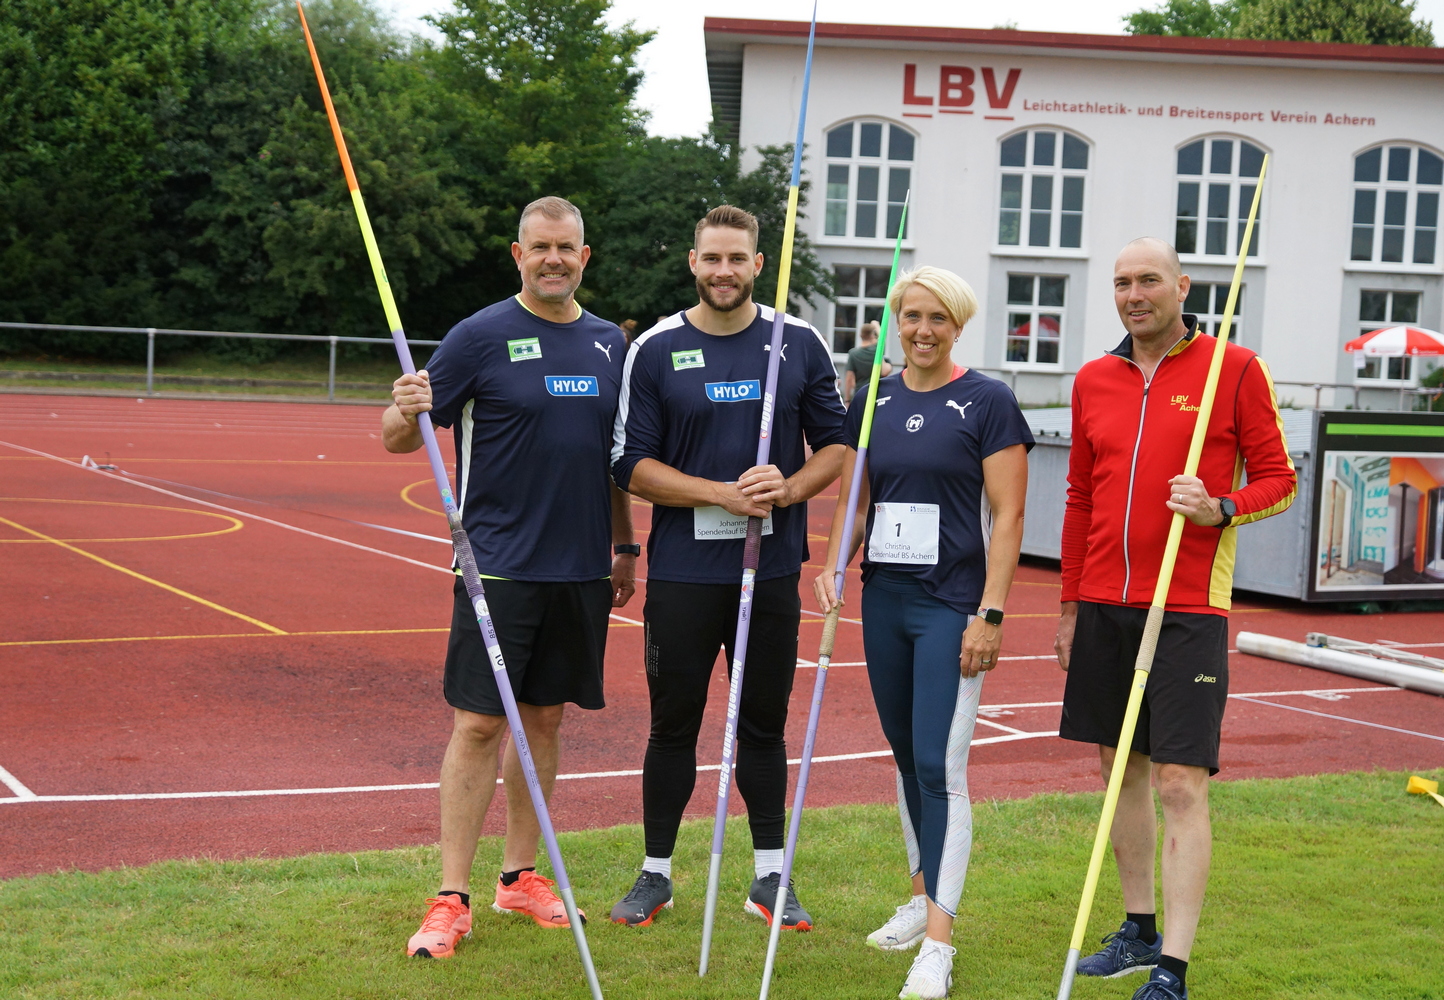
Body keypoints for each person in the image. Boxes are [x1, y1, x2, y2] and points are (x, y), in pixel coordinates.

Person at [386, 196, 640, 959]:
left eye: (567, 247)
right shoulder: (480, 335)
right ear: (517, 254)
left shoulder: (609, 346)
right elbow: (401, 438)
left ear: (584, 257)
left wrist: (625, 548)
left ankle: (519, 878)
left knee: (545, 722)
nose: (554, 258)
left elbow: (616, 463)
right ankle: (451, 897)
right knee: (477, 725)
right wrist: (405, 409)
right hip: (495, 566)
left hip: (581, 568)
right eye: (540, 247)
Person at [1054, 238, 1296, 1000]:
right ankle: (1138, 929)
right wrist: (1068, 605)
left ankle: (1173, 969)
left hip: (1188, 605)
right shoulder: (1094, 378)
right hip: (1103, 603)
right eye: (1122, 282)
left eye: (1148, 280)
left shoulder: (1236, 368)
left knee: (1183, 781)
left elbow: (1281, 479)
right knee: (1117, 767)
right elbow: (1081, 499)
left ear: (1181, 287)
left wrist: (1221, 506)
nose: (1134, 294)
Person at [608, 204, 846, 930]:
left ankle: (771, 876)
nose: (724, 272)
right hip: (684, 574)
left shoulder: (797, 342)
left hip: (769, 572)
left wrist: (790, 486)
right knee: (671, 726)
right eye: (712, 259)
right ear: (692, 262)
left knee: (764, 727)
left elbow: (836, 444)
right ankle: (655, 874)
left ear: (756, 265)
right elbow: (630, 463)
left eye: (737, 259)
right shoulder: (653, 349)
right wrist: (721, 493)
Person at [814, 266, 1032, 1000]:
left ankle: (939, 943)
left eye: (937, 318)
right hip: (886, 601)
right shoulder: (874, 398)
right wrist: (834, 565)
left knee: (942, 767)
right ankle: (918, 898)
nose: (922, 330)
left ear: (958, 324)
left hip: (951, 606)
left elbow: (1009, 517)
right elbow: (859, 500)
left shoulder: (988, 401)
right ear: (894, 323)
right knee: (906, 757)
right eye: (911, 317)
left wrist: (991, 613)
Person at [843, 320, 894, 402]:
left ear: (860, 335)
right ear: (872, 336)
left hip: (859, 394)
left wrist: (847, 400)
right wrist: (876, 325)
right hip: (876, 394)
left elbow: (849, 378)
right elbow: (882, 338)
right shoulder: (877, 350)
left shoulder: (853, 353)